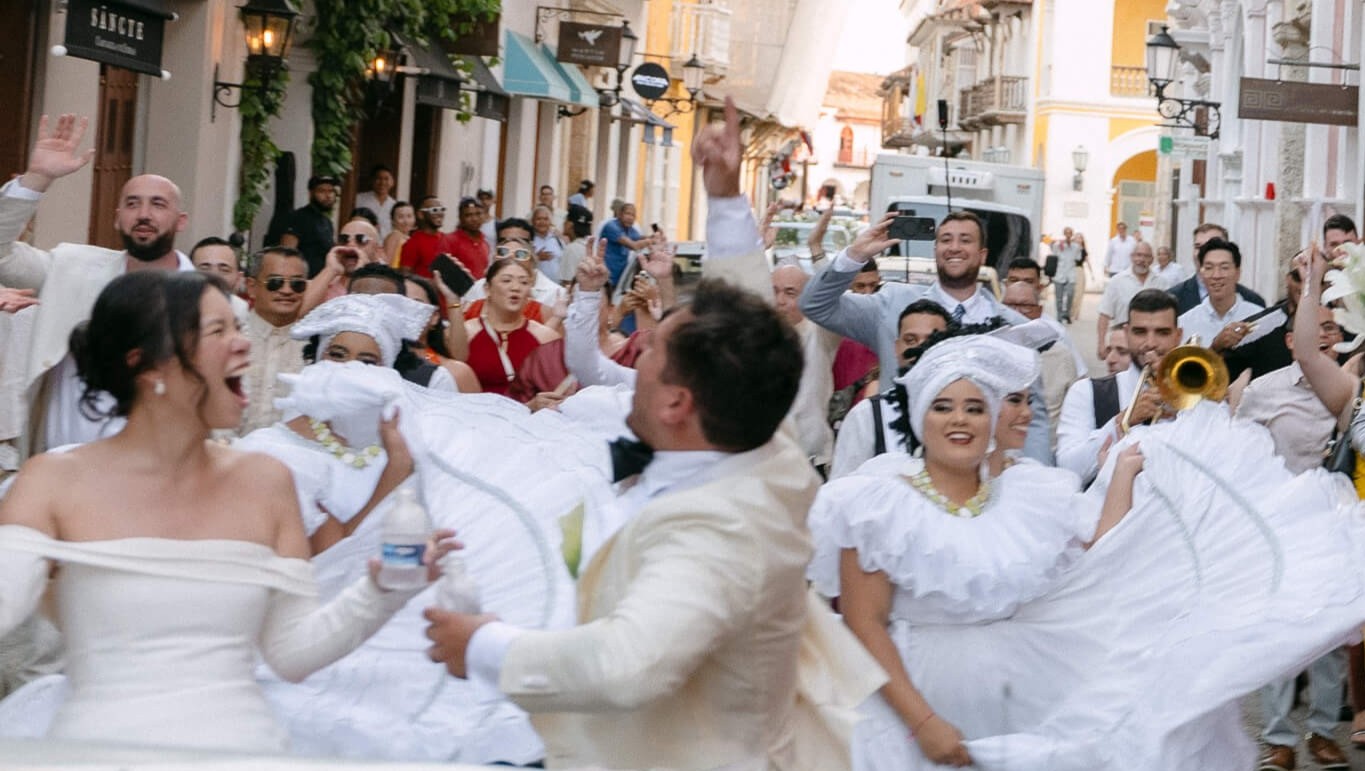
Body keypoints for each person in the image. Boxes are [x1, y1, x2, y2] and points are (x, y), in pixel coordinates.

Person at [423, 97, 883, 770]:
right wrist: (724, 201)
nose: (633, 363)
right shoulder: (767, 450)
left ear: (675, 401)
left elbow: (628, 662)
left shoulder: (719, 526)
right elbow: (748, 320)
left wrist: (485, 644)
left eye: (650, 355)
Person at [0, 270, 455, 752]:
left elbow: (291, 652)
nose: (244, 346)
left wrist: (383, 588)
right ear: (148, 365)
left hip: (246, 747)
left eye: (238, 329)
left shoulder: (266, 480)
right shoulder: (52, 481)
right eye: (219, 331)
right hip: (97, 750)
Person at [809, 334, 1127, 769]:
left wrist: (1124, 470)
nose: (959, 419)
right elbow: (865, 626)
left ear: (991, 420)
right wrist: (922, 723)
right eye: (943, 407)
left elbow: (1099, 554)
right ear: (923, 418)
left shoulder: (1028, 498)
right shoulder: (876, 505)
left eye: (974, 408)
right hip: (909, 714)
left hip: (1015, 708)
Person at [0, 114, 196, 457]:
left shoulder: (214, 302)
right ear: (117, 217)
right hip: (63, 468)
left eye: (158, 204)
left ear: (180, 221)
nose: (144, 214)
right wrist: (37, 179)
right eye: (133, 204)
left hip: (164, 476)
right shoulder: (69, 267)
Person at [798, 209, 1052, 463]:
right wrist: (855, 256)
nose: (954, 247)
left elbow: (1034, 415)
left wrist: (1035, 475)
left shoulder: (1014, 326)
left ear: (982, 254)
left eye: (965, 240)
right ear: (935, 250)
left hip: (984, 473)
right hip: (901, 464)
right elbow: (815, 305)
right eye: (945, 240)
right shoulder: (891, 304)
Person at [1238, 258, 1353, 770]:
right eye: (1317, 327)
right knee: (1282, 630)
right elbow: (1241, 451)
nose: (1326, 335)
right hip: (1281, 522)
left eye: (1334, 328)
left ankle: (1325, 731)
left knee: (1329, 633)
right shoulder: (1265, 391)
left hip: (1339, 523)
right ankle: (1279, 737)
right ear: (1293, 341)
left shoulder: (1350, 389)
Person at [1057, 289, 1179, 485]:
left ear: (1178, 336)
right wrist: (1123, 421)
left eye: (1162, 333)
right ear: (1127, 333)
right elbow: (1069, 470)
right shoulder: (1086, 392)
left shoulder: (1199, 395)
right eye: (1140, 332)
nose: (1150, 343)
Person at [773, 261, 841, 469]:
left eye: (790, 293)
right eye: (774, 291)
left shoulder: (821, 333)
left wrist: (816, 248)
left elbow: (834, 297)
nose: (779, 301)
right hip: (763, 459)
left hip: (810, 458)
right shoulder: (753, 337)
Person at [460, 257, 561, 396]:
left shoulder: (546, 337)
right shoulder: (466, 332)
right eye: (506, 280)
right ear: (487, 289)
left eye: (524, 282)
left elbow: (557, 391)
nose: (516, 288)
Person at [239, 247, 311, 435]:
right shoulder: (228, 339)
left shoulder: (314, 349)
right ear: (252, 287)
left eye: (297, 284)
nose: (286, 291)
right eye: (275, 283)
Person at [400, 274, 482, 393]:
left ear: (434, 317)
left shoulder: (456, 373)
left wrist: (453, 300)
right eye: (399, 302)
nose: (406, 310)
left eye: (416, 303)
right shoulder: (373, 362)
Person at [1177, 238, 1264, 350]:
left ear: (1237, 273)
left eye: (1224, 268)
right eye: (1209, 268)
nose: (1216, 275)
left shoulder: (1258, 318)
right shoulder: (1184, 323)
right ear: (1201, 274)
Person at [1168, 223, 1267, 313]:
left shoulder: (1253, 301)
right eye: (1198, 246)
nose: (1204, 252)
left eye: (1211, 246)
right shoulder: (1172, 299)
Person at [1095, 240, 1168, 360]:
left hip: (1153, 346)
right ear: (1132, 257)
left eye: (1146, 256)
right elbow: (1104, 314)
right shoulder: (1117, 282)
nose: (1141, 259)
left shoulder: (1162, 283)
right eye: (1138, 255)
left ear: (1152, 259)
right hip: (1124, 346)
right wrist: (1101, 344)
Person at [280, 175, 339, 277]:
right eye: (322, 191)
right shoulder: (298, 217)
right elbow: (286, 253)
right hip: (302, 281)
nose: (328, 196)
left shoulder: (327, 222)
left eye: (331, 191)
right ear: (311, 193)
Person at [189, 236, 249, 323]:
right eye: (204, 269)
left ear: (238, 279)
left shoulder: (239, 309)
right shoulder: (173, 309)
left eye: (224, 270)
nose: (214, 276)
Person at [398, 195, 456, 279]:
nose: (439, 213)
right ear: (420, 214)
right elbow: (405, 275)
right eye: (434, 210)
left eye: (442, 209)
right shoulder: (413, 243)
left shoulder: (447, 239)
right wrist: (431, 283)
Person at [599, 202, 648, 285]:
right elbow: (634, 245)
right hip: (605, 278)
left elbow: (640, 238)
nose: (630, 218)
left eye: (633, 215)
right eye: (627, 214)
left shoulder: (630, 230)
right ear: (619, 214)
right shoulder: (611, 227)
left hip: (619, 280)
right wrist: (650, 241)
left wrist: (654, 237)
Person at [354, 165, 397, 238]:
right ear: (372, 181)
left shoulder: (394, 205)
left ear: (392, 182)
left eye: (386, 179)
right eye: (378, 178)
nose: (382, 182)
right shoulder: (359, 198)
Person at [1051, 227, 1081, 323]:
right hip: (1059, 274)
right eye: (1066, 233)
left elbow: (1078, 258)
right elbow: (1054, 254)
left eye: (1070, 233)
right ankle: (1059, 315)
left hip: (1070, 274)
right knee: (1059, 297)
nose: (1068, 235)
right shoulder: (1058, 245)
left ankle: (1066, 313)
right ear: (1064, 234)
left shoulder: (1076, 246)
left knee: (1070, 294)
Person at [558, 204, 594, 285]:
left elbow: (568, 282)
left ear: (570, 224)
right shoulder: (591, 246)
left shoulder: (572, 249)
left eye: (565, 220)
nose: (563, 223)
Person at [531, 204, 565, 281]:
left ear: (550, 222)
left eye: (546, 219)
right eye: (538, 219)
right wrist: (536, 257)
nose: (542, 222)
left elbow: (564, 262)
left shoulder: (558, 240)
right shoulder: (529, 240)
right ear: (533, 221)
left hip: (557, 287)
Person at [383, 200, 416, 267]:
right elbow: (387, 263)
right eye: (401, 217)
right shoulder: (395, 236)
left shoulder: (410, 238)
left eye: (409, 216)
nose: (406, 221)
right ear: (393, 221)